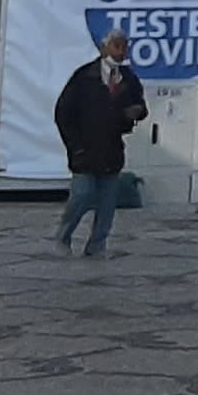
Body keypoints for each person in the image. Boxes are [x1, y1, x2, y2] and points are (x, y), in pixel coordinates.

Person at [54, 30, 151, 258]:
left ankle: (97, 244)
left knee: (107, 203)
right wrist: (74, 146)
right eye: (116, 46)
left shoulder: (127, 78)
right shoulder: (84, 76)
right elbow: (63, 113)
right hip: (85, 149)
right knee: (82, 194)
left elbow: (140, 106)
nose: (121, 51)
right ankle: (63, 235)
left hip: (111, 149)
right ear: (104, 48)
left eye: (124, 46)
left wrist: (136, 112)